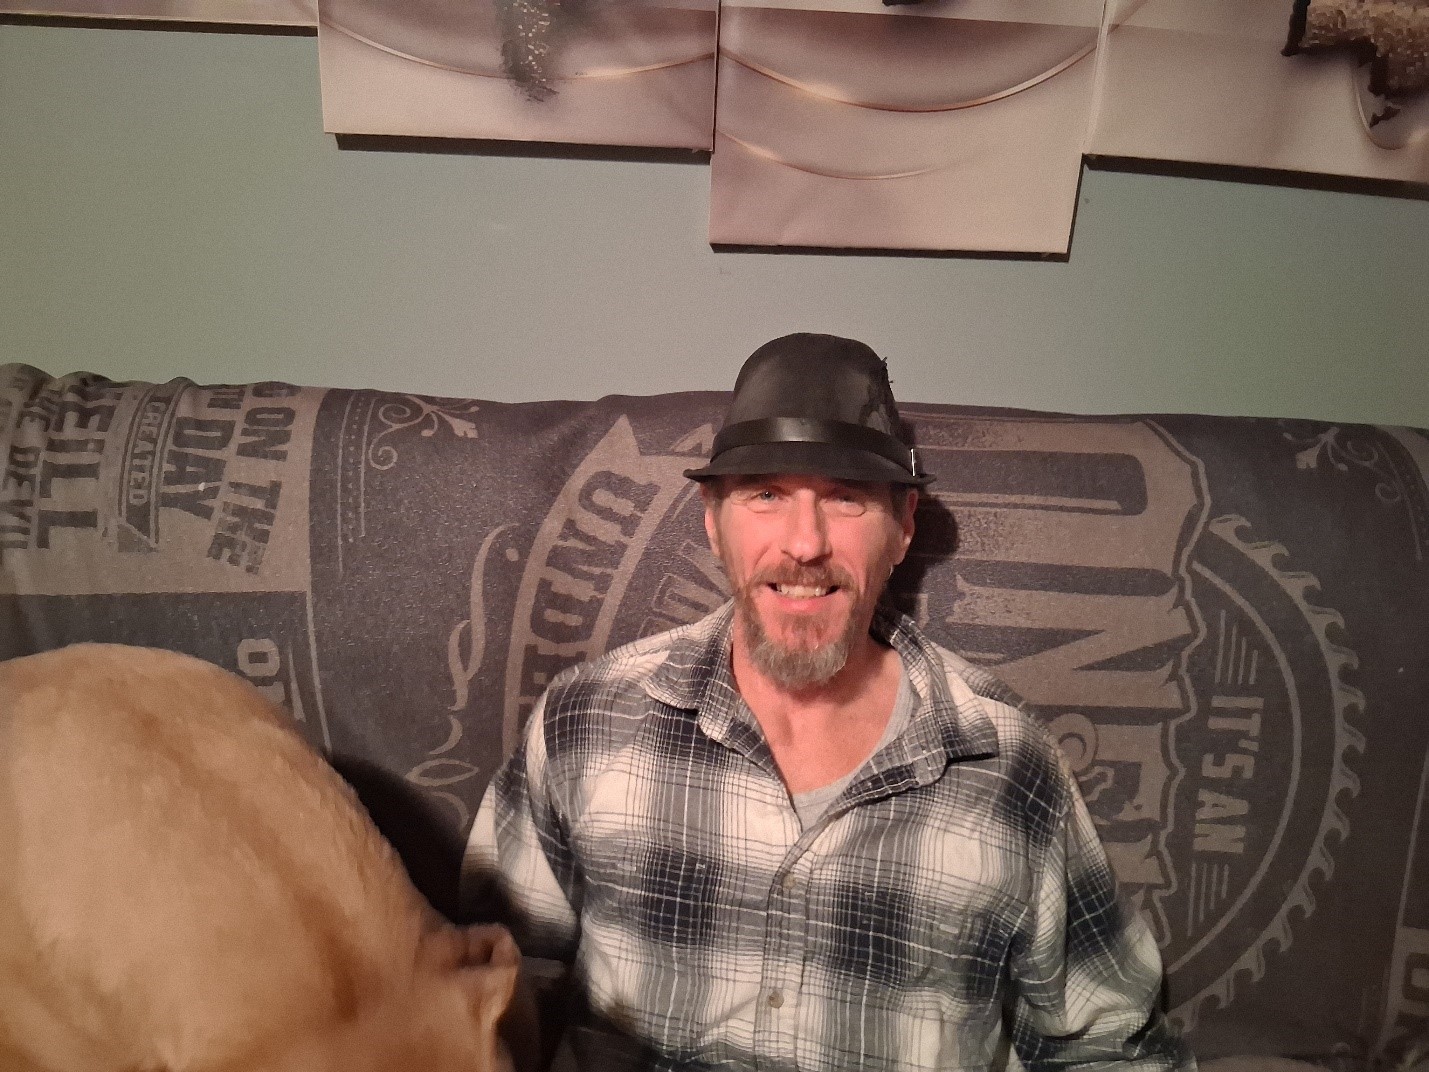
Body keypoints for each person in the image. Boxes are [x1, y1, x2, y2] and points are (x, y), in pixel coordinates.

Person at [462, 333, 1194, 1072]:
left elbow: (1108, 1045)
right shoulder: (586, 721)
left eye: (846, 498)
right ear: (712, 520)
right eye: (766, 495)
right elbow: (482, 988)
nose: (804, 544)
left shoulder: (1007, 763)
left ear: (903, 527)